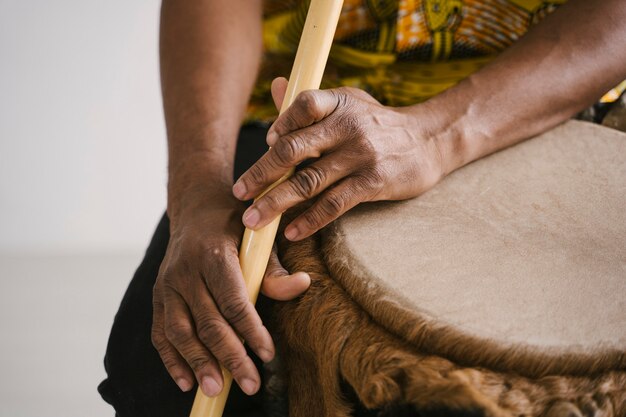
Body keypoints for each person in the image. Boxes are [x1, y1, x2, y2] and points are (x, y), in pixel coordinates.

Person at [98, 0, 626, 416]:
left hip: (533, 98)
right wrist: (196, 194)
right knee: (156, 375)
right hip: (295, 111)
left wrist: (437, 135)